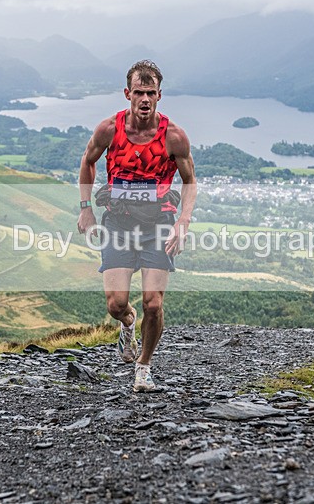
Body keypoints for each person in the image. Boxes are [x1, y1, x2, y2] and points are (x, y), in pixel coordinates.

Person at [77, 60, 196, 392]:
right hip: (118, 222)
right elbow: (88, 161)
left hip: (159, 224)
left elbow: (189, 181)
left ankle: (143, 367)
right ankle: (128, 324)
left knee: (153, 303)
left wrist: (183, 221)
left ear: (159, 95)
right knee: (116, 304)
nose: (145, 99)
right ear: (127, 93)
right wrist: (86, 209)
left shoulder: (173, 136)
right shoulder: (109, 130)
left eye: (151, 93)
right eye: (139, 92)